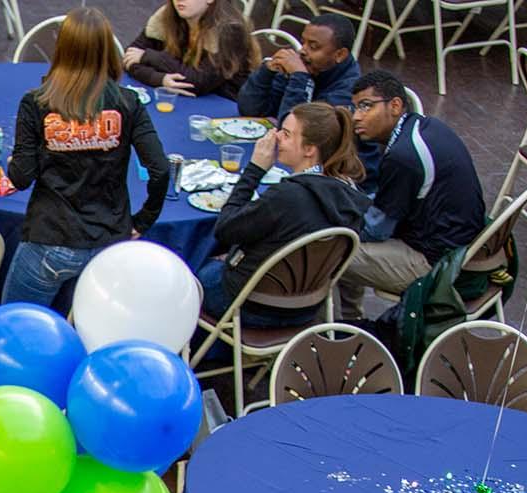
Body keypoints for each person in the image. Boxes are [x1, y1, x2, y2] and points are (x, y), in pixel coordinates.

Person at [4, 7, 171, 311]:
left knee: (18, 326)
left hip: (50, 243)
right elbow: (160, 168)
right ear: (108, 50)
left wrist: (17, 158)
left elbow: (20, 177)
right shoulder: (128, 103)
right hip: (110, 244)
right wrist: (144, 220)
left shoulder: (36, 103)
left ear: (62, 50)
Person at [197, 102, 370, 326]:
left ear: (309, 149)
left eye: (286, 134)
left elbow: (225, 229)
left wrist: (255, 169)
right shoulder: (351, 197)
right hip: (307, 308)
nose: (277, 137)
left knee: (194, 268)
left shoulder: (288, 197)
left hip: (251, 306)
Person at [339, 71, 485, 319]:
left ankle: (331, 330)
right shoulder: (424, 126)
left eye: (365, 106)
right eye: (355, 108)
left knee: (327, 251)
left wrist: (335, 219)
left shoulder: (403, 157)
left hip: (439, 265)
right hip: (463, 245)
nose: (356, 117)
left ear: (395, 105)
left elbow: (376, 230)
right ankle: (351, 319)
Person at [124, 0, 261, 99]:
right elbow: (129, 57)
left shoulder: (230, 29)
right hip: (182, 99)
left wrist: (150, 57)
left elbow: (198, 82)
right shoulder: (168, 15)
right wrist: (159, 79)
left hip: (223, 104)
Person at [237, 14, 361, 121]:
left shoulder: (350, 92)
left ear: (339, 55)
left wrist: (301, 79)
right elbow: (250, 110)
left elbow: (298, 132)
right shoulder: (303, 66)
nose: (302, 50)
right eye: (303, 42)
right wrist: (267, 72)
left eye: (313, 47)